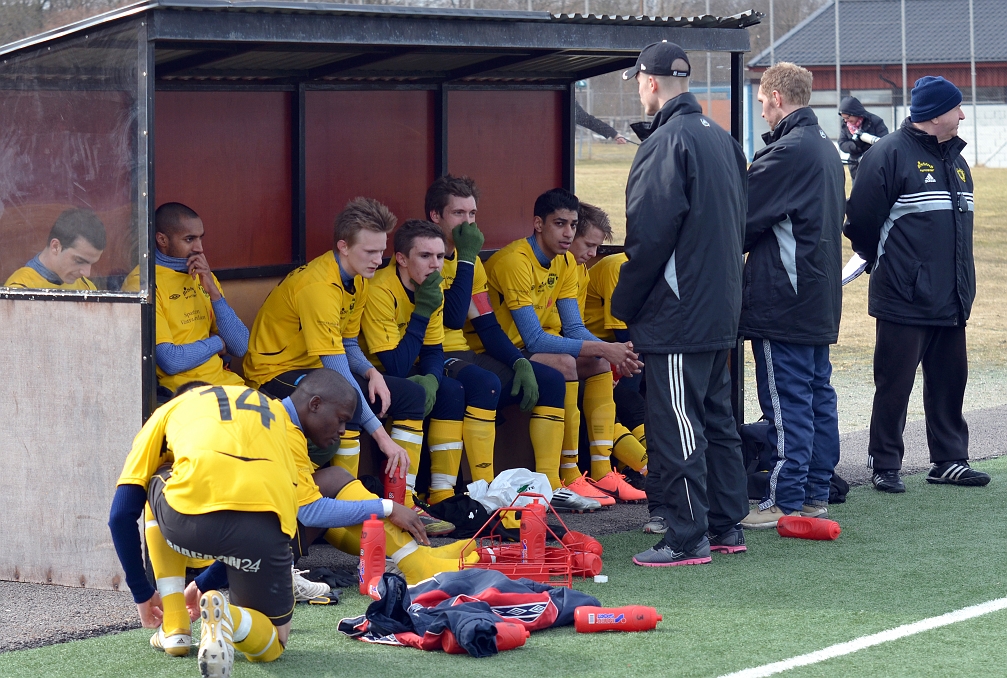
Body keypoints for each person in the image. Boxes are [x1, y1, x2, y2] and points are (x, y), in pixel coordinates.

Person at [611, 41, 749, 566]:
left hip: (677, 313)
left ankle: (688, 535)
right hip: (720, 306)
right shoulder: (724, 139)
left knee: (677, 423)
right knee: (717, 419)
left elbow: (649, 237)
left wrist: (625, 304)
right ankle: (726, 524)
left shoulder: (666, 142)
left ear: (649, 82)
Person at [845, 76, 989, 492]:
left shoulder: (957, 162)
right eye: (957, 108)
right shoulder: (888, 154)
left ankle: (949, 460)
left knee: (950, 382)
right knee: (894, 385)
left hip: (952, 295)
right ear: (936, 114)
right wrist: (896, 266)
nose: (962, 115)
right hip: (903, 296)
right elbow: (860, 224)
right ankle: (884, 463)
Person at [425, 175, 597, 513]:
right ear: (435, 216)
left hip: (464, 352)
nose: (468, 223)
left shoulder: (471, 262)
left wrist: (518, 362)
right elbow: (454, 318)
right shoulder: (425, 256)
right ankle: (483, 491)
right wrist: (466, 257)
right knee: (485, 383)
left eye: (473, 214)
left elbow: (487, 326)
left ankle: (551, 485)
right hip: (431, 355)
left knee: (550, 380)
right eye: (458, 214)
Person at [736, 63, 845, 529]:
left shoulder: (788, 151)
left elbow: (739, 219)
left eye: (762, 102)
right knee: (817, 399)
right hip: (817, 299)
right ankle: (814, 495)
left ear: (777, 98)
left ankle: (783, 500)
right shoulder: (825, 146)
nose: (761, 111)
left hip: (783, 301)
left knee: (787, 404)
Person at [242, 197, 416, 484]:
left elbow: (348, 344)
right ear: (343, 246)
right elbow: (337, 368)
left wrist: (371, 372)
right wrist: (382, 437)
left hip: (316, 368)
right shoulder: (319, 287)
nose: (378, 260)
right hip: (273, 373)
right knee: (344, 400)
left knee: (411, 395)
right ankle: (329, 492)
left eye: (381, 251)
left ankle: (404, 494)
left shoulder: (359, 278)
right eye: (370, 251)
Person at [482, 187, 640, 500]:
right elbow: (533, 338)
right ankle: (564, 474)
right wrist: (604, 347)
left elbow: (575, 328)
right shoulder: (515, 261)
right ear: (538, 224)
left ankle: (601, 471)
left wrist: (614, 353)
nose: (568, 233)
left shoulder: (566, 262)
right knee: (567, 363)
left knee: (598, 362)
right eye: (560, 224)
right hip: (500, 350)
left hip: (534, 348)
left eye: (572, 224)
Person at [360, 219, 496, 509]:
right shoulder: (380, 289)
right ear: (401, 259)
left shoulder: (431, 286)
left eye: (439, 256)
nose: (435, 264)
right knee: (415, 392)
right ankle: (404, 497)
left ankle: (442, 493)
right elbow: (395, 366)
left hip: (407, 364)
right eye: (425, 256)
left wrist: (433, 379)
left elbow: (434, 349)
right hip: (372, 372)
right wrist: (422, 311)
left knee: (451, 390)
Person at [567, 202, 647, 499]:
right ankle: (646, 469)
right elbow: (623, 332)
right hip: (597, 348)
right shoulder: (617, 267)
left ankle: (647, 468)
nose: (593, 254)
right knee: (626, 392)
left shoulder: (577, 270)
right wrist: (607, 357)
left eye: (597, 247)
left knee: (634, 393)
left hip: (597, 350)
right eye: (589, 245)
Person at [137, 203, 249, 396]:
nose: (200, 248)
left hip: (229, 385)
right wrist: (218, 343)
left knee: (283, 413)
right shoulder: (145, 283)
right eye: (189, 239)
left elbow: (239, 346)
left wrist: (214, 293)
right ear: (162, 239)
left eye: (200, 238)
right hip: (185, 392)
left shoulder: (203, 275)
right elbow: (171, 361)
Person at [4, 208, 105, 290]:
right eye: (79, 261)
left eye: (91, 264)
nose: (87, 273)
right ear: (56, 247)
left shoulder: (87, 287)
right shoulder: (19, 290)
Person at [838, 96, 889, 181]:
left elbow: (885, 143)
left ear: (855, 113)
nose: (846, 121)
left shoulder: (875, 121)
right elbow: (842, 143)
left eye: (847, 118)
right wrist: (857, 146)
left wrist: (867, 146)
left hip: (875, 167)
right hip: (856, 169)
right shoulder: (845, 125)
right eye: (844, 118)